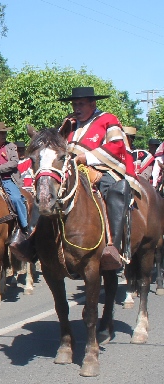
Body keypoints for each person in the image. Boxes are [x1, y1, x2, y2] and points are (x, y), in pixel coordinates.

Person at [58, 86, 138, 269]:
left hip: (101, 168)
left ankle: (113, 246)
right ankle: (33, 241)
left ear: (93, 104)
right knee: (48, 187)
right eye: (74, 104)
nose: (76, 108)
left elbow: (117, 146)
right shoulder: (68, 123)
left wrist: (85, 158)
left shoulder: (108, 120)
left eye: (81, 104)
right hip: (70, 169)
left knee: (113, 191)